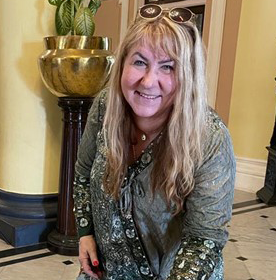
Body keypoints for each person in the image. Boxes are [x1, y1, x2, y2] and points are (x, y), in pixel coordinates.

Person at [73, 4, 235, 280]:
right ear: (122, 63)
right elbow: (83, 174)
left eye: (168, 67)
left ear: (188, 75)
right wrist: (85, 233)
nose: (148, 81)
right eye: (139, 62)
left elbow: (204, 239)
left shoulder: (210, 138)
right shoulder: (104, 108)